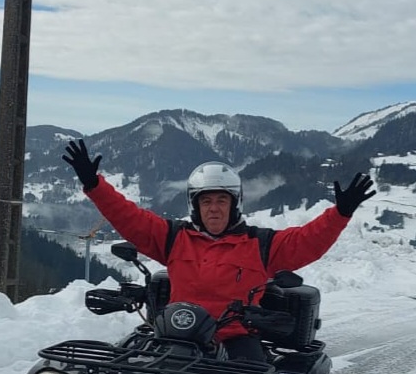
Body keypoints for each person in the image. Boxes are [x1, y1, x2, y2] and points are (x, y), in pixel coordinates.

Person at [62, 139, 375, 359]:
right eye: (207, 201)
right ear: (195, 206)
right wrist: (94, 184)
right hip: (175, 335)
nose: (214, 208)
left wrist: (340, 213)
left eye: (221, 200)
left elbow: (307, 241)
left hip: (235, 340)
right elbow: (129, 218)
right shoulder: (174, 237)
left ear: (234, 204)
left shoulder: (261, 244)